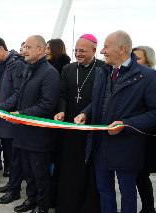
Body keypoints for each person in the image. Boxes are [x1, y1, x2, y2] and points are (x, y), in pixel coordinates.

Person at [74, 31, 156, 213]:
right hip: (100, 144)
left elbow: (154, 113)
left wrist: (125, 124)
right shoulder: (103, 72)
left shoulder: (148, 76)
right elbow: (99, 102)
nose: (102, 51)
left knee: (127, 194)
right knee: (104, 190)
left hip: (127, 147)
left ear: (121, 48)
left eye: (106, 46)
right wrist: (85, 113)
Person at [0, 35, 60, 213]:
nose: (23, 51)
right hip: (23, 132)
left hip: (39, 136)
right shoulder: (29, 69)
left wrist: (21, 114)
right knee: (28, 172)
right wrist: (1, 108)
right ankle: (31, 200)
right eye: (24, 48)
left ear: (40, 49)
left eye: (28, 48)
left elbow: (48, 105)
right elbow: (18, 95)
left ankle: (42, 206)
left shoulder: (50, 73)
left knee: (40, 174)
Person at [53, 34, 104, 213]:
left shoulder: (103, 68)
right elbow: (62, 94)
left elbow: (102, 98)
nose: (78, 54)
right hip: (69, 126)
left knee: (88, 168)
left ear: (94, 50)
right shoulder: (68, 68)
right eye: (76, 50)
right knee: (68, 166)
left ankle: (88, 207)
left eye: (82, 51)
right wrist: (62, 110)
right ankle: (66, 204)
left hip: (91, 127)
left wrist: (86, 114)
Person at [0, 36, 26, 204]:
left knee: (15, 158)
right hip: (4, 117)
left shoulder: (16, 64)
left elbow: (18, 94)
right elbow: (4, 92)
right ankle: (11, 185)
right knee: (10, 157)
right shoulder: (3, 64)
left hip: (11, 119)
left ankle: (15, 190)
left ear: (1, 48)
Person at [133, 46, 156, 213]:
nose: (134, 62)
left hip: (150, 135)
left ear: (148, 61)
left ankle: (148, 209)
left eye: (138, 58)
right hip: (136, 134)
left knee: (142, 175)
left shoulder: (152, 79)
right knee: (139, 175)